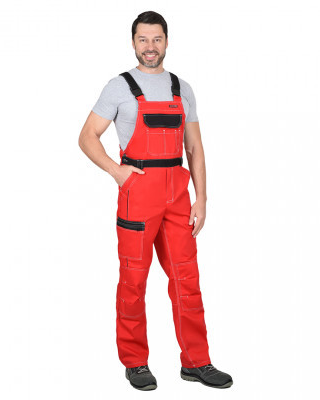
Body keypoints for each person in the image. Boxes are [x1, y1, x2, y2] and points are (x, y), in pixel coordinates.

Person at [78, 11, 233, 391]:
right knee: (134, 280)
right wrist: (118, 172)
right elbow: (87, 136)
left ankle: (196, 362)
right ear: (133, 43)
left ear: (166, 41)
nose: (150, 47)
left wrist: (202, 199)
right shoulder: (119, 87)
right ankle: (135, 362)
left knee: (187, 279)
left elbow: (194, 147)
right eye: (143, 39)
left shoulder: (183, 88)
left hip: (178, 196)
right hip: (139, 193)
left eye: (157, 39)